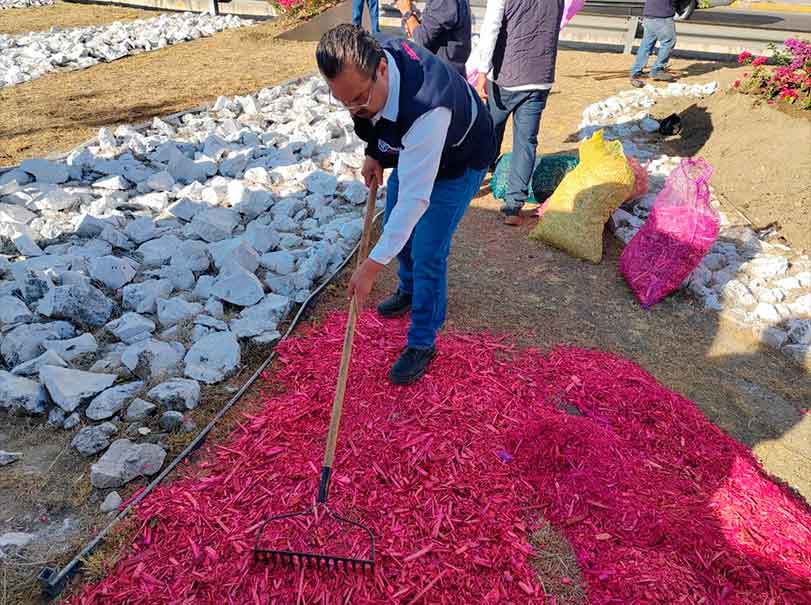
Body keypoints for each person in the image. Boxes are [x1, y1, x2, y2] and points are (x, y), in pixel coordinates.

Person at [316, 24, 496, 385]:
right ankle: (409, 289)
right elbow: (375, 120)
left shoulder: (427, 108)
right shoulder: (367, 56)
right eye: (344, 100)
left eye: (359, 99)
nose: (353, 109)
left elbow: (417, 199)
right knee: (402, 235)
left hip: (459, 159)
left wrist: (370, 267)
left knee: (428, 248)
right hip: (414, 149)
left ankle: (422, 341)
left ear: (381, 69)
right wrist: (374, 154)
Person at [474, 0, 564, 226]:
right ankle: (513, 206)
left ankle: (473, 183)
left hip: (508, 76)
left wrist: (482, 70)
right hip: (540, 76)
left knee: (489, 131)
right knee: (526, 142)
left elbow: (491, 28)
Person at [395, 0, 472, 76]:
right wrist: (413, 22)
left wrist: (406, 12)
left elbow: (421, 38)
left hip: (442, 77)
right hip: (448, 73)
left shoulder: (443, 2)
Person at [630, 0, 679, 88]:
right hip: (662, 16)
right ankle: (657, 70)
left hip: (649, 15)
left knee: (646, 45)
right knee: (668, 42)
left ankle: (636, 71)